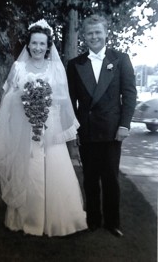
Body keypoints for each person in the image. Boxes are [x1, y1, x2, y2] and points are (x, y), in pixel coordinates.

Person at [0, 19, 87, 237]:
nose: (37, 48)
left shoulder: (55, 67)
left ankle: (59, 219)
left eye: (42, 44)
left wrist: (45, 98)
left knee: (55, 170)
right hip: (26, 128)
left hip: (50, 126)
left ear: (48, 46)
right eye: (34, 43)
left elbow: (64, 98)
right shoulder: (18, 67)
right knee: (29, 169)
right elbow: (9, 97)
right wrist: (26, 98)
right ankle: (28, 219)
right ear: (28, 44)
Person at [67, 14, 137, 237]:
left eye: (98, 32)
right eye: (90, 33)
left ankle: (113, 222)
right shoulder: (75, 64)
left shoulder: (120, 59)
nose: (94, 36)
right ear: (84, 37)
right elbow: (70, 101)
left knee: (111, 179)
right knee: (89, 178)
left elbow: (129, 94)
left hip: (111, 130)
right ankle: (94, 220)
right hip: (87, 129)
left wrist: (124, 125)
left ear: (106, 33)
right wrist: (75, 128)